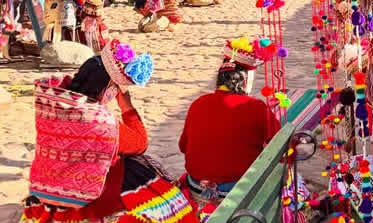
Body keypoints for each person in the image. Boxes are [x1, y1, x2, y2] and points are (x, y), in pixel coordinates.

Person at [22, 45, 197, 223]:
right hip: (92, 194)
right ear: (109, 89)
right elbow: (140, 143)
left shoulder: (52, 104)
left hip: (50, 184)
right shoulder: (99, 120)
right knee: (154, 189)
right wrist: (127, 107)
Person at [179, 38, 281, 216]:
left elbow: (183, 146)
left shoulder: (199, 103)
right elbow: (281, 148)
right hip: (234, 189)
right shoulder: (255, 107)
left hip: (197, 185)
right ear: (244, 81)